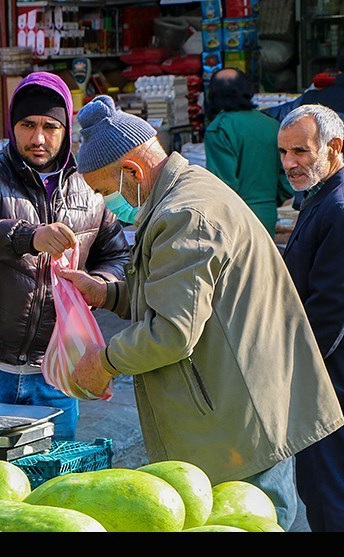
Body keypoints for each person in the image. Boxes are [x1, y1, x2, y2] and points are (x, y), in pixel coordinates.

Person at [54, 94, 343, 530]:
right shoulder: (186, 190)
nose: (105, 204)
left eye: (103, 192)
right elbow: (182, 291)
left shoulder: (186, 213)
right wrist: (109, 293)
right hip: (236, 411)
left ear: (132, 172)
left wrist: (105, 361)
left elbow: (172, 331)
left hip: (239, 424)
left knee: (254, 519)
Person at [0, 72, 130, 441]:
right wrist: (29, 236)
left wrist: (99, 286)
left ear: (66, 131)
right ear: (13, 127)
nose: (38, 138)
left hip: (55, 372)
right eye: (27, 125)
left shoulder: (90, 186)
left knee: (50, 488)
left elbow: (117, 254)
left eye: (50, 126)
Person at [278, 104, 344, 532]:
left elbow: (331, 309)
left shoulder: (337, 208)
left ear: (334, 147)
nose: (289, 163)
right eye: (283, 153)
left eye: (300, 151)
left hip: (329, 380)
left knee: (328, 492)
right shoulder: (320, 199)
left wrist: (302, 370)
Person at [203, 67, 295, 236]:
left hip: (234, 218)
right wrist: (269, 201)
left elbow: (222, 183)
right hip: (267, 213)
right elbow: (287, 175)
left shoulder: (219, 128)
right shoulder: (271, 125)